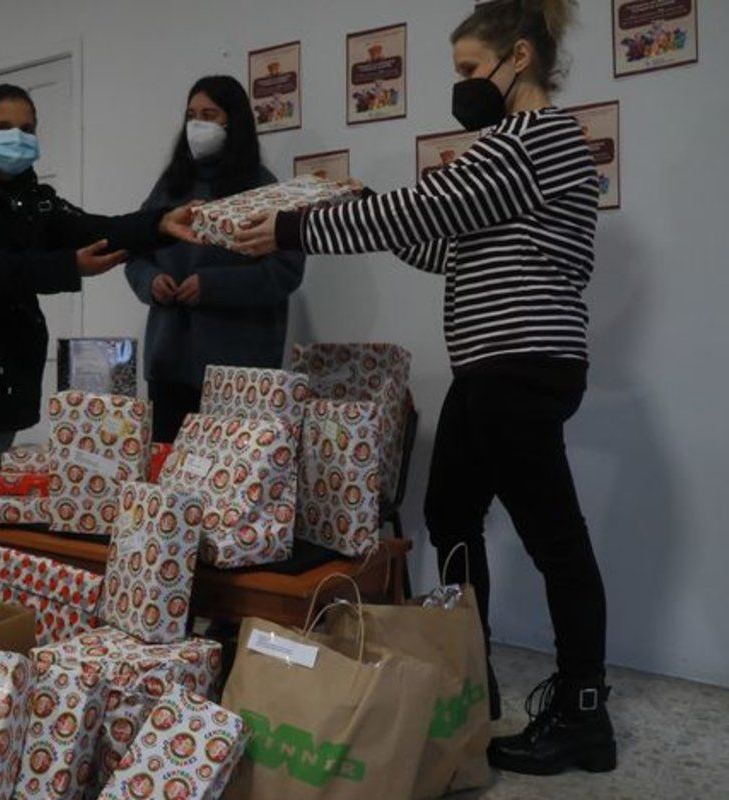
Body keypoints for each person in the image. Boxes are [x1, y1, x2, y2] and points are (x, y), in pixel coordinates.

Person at [230, 0, 616, 778]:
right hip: (494, 367)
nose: (462, 84)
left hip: (519, 363)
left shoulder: (530, 141)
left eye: (470, 68)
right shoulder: (515, 150)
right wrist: (352, 206)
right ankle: (469, 673)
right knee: (449, 514)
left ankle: (584, 715)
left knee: (554, 539)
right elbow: (444, 247)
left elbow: (424, 210)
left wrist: (297, 227)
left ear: (518, 58)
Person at [0, 84, 196, 517]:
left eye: (28, 129)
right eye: (4, 127)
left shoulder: (33, 199)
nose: (18, 137)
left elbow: (93, 229)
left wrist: (159, 224)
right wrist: (67, 267)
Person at [124, 75, 306, 442]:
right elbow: (135, 252)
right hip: (169, 362)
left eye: (209, 115)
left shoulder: (263, 188)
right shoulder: (170, 185)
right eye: (191, 115)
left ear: (233, 121)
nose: (197, 125)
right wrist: (150, 282)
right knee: (168, 465)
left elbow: (285, 271)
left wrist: (212, 286)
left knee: (228, 469)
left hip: (238, 370)